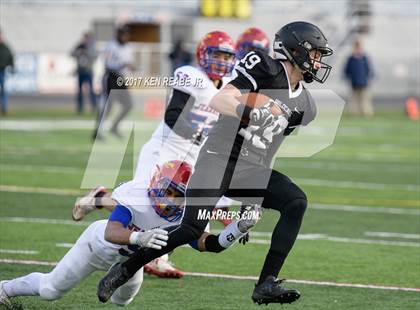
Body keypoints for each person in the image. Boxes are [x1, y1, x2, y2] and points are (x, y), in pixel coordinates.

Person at [97, 21, 333, 305]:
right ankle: (125, 269)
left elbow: (273, 146)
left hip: (250, 169)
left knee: (296, 201)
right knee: (191, 230)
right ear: (296, 49)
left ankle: (266, 283)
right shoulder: (265, 67)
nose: (318, 60)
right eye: (315, 53)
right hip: (217, 158)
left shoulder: (306, 106)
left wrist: (255, 195)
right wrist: (247, 111)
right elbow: (221, 99)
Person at [74, 31, 239, 278]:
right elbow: (173, 116)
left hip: (192, 158)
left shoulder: (230, 88)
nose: (222, 61)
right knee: (143, 202)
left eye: (227, 56)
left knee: (180, 209)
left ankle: (102, 199)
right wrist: (199, 135)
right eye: (217, 54)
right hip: (165, 151)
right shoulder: (191, 76)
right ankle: (152, 252)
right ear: (203, 54)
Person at [0, 160, 261, 307]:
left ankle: (97, 198)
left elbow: (209, 245)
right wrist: (139, 237)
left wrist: (236, 229)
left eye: (177, 196)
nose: (170, 200)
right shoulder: (137, 196)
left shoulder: (187, 214)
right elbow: (113, 231)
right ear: (155, 183)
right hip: (98, 246)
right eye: (167, 191)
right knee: (50, 290)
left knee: (121, 302)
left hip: (130, 263)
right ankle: (5, 289)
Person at [93, 25, 134, 139]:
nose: (126, 37)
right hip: (110, 77)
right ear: (119, 35)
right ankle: (97, 132)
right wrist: (122, 65)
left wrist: (130, 68)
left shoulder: (128, 47)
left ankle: (114, 127)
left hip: (121, 78)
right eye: (124, 35)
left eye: (127, 35)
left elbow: (128, 63)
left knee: (128, 104)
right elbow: (108, 64)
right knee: (107, 106)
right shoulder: (111, 46)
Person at [344, 39, 374, 117]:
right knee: (354, 100)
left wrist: (367, 78)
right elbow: (347, 70)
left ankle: (366, 113)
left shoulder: (364, 58)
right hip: (354, 82)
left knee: (364, 99)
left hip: (363, 82)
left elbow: (368, 69)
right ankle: (355, 113)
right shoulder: (351, 58)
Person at [71, 32, 97, 114]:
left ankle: (94, 107)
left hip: (88, 71)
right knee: (79, 91)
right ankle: (80, 108)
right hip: (81, 71)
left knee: (91, 91)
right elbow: (72, 53)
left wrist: (86, 52)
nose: (86, 40)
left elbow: (95, 56)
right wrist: (79, 51)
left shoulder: (91, 47)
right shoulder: (79, 46)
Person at [0, 29, 14, 115]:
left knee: (4, 90)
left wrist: (12, 67)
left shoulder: (5, 47)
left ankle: (4, 108)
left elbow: (11, 58)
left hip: (2, 71)